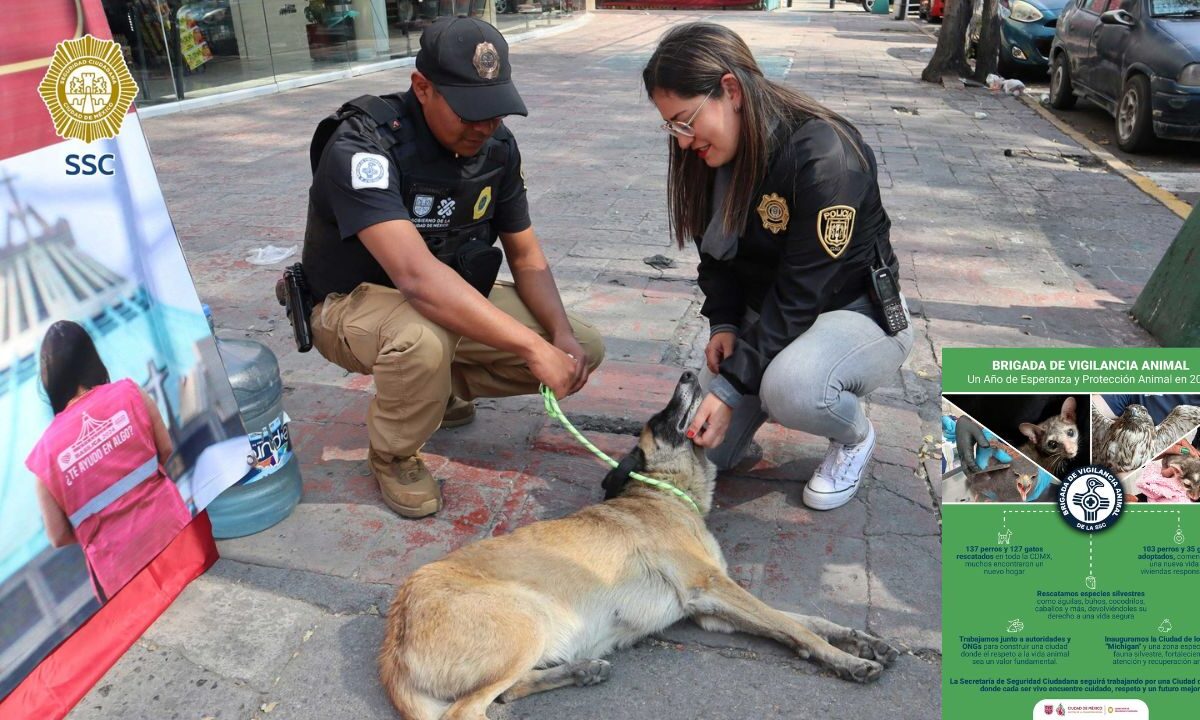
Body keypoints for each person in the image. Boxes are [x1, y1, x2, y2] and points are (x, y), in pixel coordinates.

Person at [301, 16, 604, 518]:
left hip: (441, 299)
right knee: (421, 339)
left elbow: (526, 256)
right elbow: (417, 279)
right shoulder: (364, 145)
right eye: (470, 112)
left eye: (495, 111)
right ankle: (394, 452)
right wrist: (529, 345)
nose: (485, 127)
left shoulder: (497, 147)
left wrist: (559, 336)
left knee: (583, 346)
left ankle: (434, 391)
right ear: (422, 88)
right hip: (349, 305)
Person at [642, 22, 913, 511]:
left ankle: (853, 435)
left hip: (853, 312)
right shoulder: (712, 156)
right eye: (672, 127)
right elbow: (715, 257)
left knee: (792, 387)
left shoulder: (825, 156)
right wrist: (725, 321)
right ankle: (758, 386)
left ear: (730, 89)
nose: (682, 142)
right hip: (768, 317)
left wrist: (729, 388)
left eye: (686, 121)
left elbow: (801, 294)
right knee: (693, 454)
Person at [25, 320, 190, 601]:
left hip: (118, 569)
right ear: (92, 359)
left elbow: (57, 535)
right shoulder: (130, 393)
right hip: (173, 530)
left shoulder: (44, 455)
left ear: (49, 380)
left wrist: (102, 526)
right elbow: (164, 448)